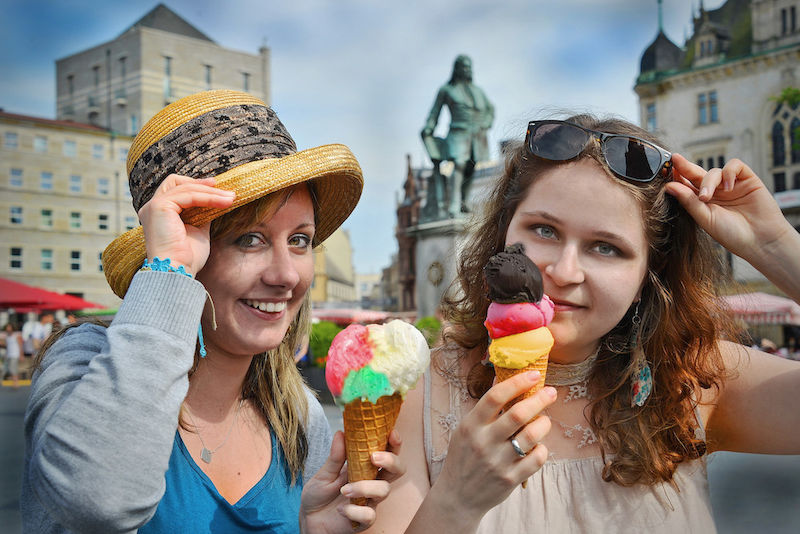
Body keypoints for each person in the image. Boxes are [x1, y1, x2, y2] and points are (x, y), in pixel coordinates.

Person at [365, 114, 800, 533]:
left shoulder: (694, 378)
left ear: (648, 275)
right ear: (502, 232)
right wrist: (456, 502)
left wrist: (776, 247)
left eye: (606, 248)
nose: (564, 271)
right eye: (544, 231)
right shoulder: (419, 390)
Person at [22, 90, 403, 533]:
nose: (286, 275)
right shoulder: (83, 360)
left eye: (300, 240)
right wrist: (168, 268)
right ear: (186, 250)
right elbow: (99, 501)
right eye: (249, 239)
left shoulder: (297, 413)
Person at [421, 54, 495, 217]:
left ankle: (464, 203)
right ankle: (454, 206)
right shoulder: (447, 90)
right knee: (459, 164)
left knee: (471, 166)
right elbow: (435, 111)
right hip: (458, 133)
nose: (468, 70)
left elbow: (490, 109)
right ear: (457, 69)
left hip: (477, 135)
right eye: (464, 67)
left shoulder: (478, 91)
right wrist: (429, 127)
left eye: (469, 67)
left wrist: (486, 123)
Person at [2, 323, 23, 387]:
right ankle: (14, 381)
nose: (8, 329)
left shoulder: (16, 335)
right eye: (7, 327)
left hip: (15, 354)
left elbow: (20, 345)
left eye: (9, 327)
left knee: (13, 369)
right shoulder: (7, 336)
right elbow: (7, 346)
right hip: (9, 355)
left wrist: (21, 355)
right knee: (8, 369)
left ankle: (16, 383)